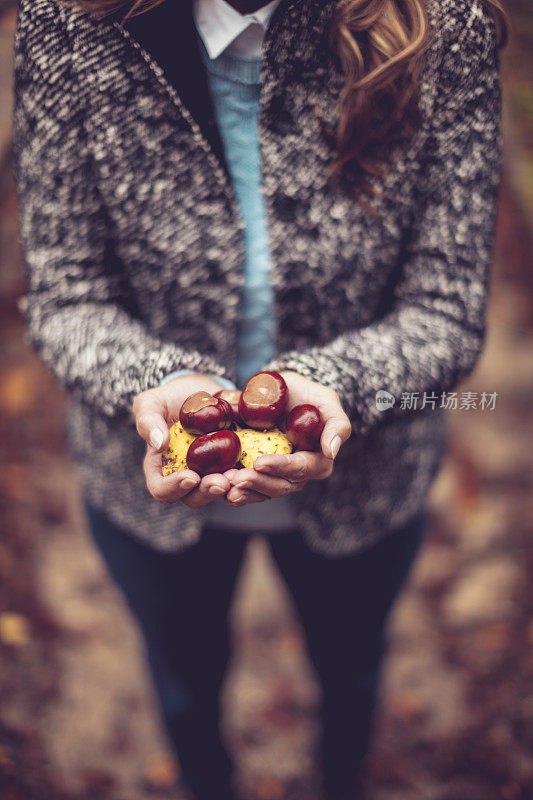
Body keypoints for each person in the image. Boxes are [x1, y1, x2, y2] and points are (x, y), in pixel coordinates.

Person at [12, 0, 505, 796]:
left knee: (350, 679)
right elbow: (66, 296)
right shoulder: (65, 22)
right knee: (182, 685)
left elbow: (445, 309)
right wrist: (153, 383)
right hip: (149, 487)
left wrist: (338, 386)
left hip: (367, 478)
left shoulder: (445, 29)